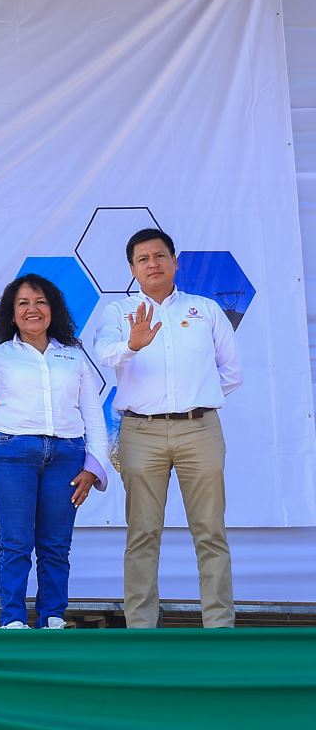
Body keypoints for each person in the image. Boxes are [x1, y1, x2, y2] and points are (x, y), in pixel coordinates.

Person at [87, 228, 242, 628]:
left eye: (159, 256)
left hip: (200, 429)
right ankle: (140, 626)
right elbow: (105, 354)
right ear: (132, 268)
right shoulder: (118, 314)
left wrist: (196, 396)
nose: (152, 264)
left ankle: (219, 624)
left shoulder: (205, 309)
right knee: (142, 532)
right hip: (141, 433)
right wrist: (133, 344)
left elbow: (231, 372)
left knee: (210, 531)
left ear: (175, 261)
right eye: (143, 259)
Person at [0, 274, 110, 629]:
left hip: (67, 456)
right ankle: (13, 620)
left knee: (55, 545)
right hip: (12, 454)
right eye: (23, 303)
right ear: (11, 312)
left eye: (40, 302)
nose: (32, 309)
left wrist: (93, 467)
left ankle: (53, 616)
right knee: (15, 542)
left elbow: (94, 416)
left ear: (53, 309)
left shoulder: (73, 355)